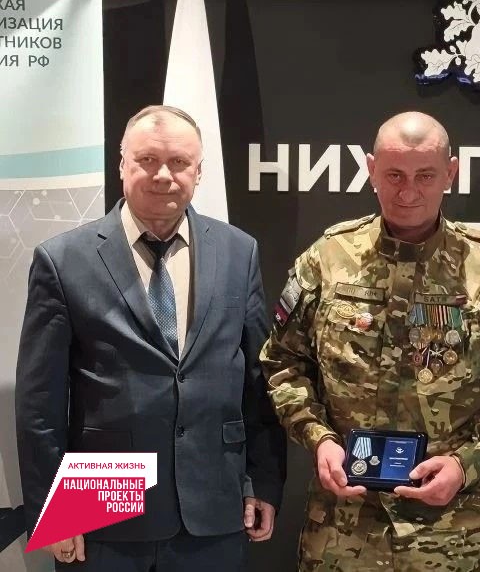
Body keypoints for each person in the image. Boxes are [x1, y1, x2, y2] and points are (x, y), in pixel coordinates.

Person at [260, 111, 480, 571]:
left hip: (455, 534)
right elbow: (283, 363)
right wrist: (319, 440)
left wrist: (467, 464)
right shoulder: (327, 260)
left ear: (451, 173)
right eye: (394, 174)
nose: (408, 191)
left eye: (426, 175)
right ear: (370, 170)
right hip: (343, 532)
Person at [15, 105, 287, 570]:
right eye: (147, 160)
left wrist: (264, 480)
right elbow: (39, 402)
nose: (163, 175)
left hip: (214, 503)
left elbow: (259, 380)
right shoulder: (62, 260)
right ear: (122, 165)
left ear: (198, 172)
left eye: (179, 162)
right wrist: (51, 510)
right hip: (101, 505)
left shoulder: (238, 251)